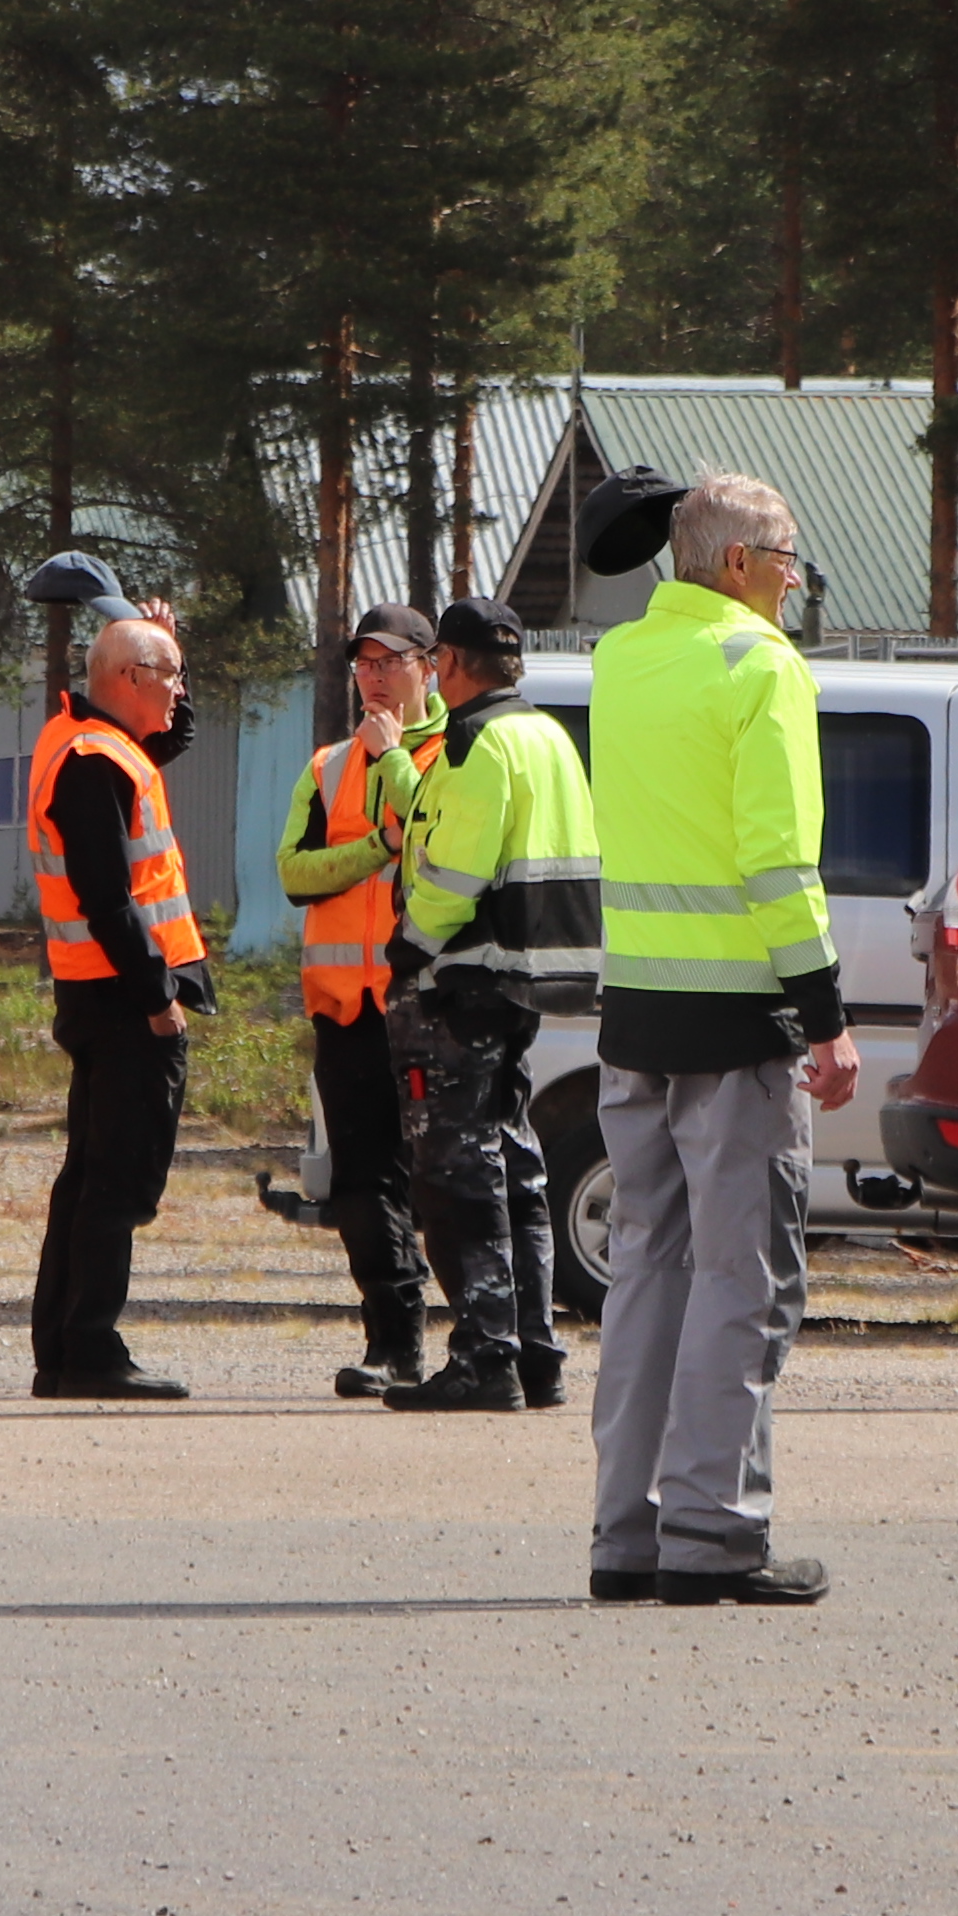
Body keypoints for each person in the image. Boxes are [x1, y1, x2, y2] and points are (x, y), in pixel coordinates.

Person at [579, 468, 853, 1604]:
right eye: (786, 557)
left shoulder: (621, 659)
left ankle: (627, 1536)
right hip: (739, 1024)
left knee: (647, 1272)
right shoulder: (761, 664)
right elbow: (777, 863)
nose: (795, 579)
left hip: (637, 1014)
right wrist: (826, 1018)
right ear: (738, 563)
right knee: (742, 1280)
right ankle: (714, 1534)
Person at [381, 592, 591, 1414]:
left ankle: (483, 1358)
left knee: (456, 1176)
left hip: (463, 983)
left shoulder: (475, 741)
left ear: (452, 664)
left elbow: (455, 872)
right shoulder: (547, 736)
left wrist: (407, 949)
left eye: (436, 660)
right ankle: (535, 1353)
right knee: (515, 1166)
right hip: (524, 982)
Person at [26, 607, 214, 1402]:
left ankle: (64, 1350)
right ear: (130, 680)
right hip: (122, 998)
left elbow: (171, 734)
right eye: (170, 675)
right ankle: (90, 1349)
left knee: (89, 1178)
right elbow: (106, 898)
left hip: (97, 992)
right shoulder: (94, 759)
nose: (177, 690)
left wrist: (170, 648)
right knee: (117, 1182)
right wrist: (157, 997)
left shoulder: (91, 739)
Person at [274, 603, 443, 1397]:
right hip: (346, 1008)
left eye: (390, 662)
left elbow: (441, 844)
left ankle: (488, 1344)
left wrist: (394, 764)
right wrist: (376, 847)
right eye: (363, 664)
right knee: (359, 1182)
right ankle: (392, 1343)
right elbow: (293, 873)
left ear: (429, 667)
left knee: (445, 1179)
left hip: (428, 1007)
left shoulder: (455, 753)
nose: (373, 678)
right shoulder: (328, 767)